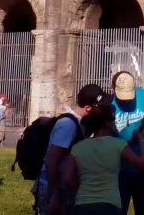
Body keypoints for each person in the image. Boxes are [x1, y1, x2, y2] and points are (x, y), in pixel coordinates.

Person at [62, 102, 144, 215]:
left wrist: (83, 188)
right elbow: (143, 164)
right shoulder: (118, 144)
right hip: (110, 204)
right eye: (113, 120)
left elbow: (67, 179)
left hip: (82, 205)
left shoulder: (77, 147)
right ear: (106, 123)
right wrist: (143, 140)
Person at [39, 84, 106, 215]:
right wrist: (55, 195)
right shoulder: (68, 125)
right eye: (99, 107)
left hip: (64, 186)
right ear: (88, 108)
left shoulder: (80, 123)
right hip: (54, 187)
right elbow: (51, 161)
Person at [108, 71, 144, 214]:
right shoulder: (107, 104)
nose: (126, 101)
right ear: (112, 88)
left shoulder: (143, 96)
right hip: (118, 170)